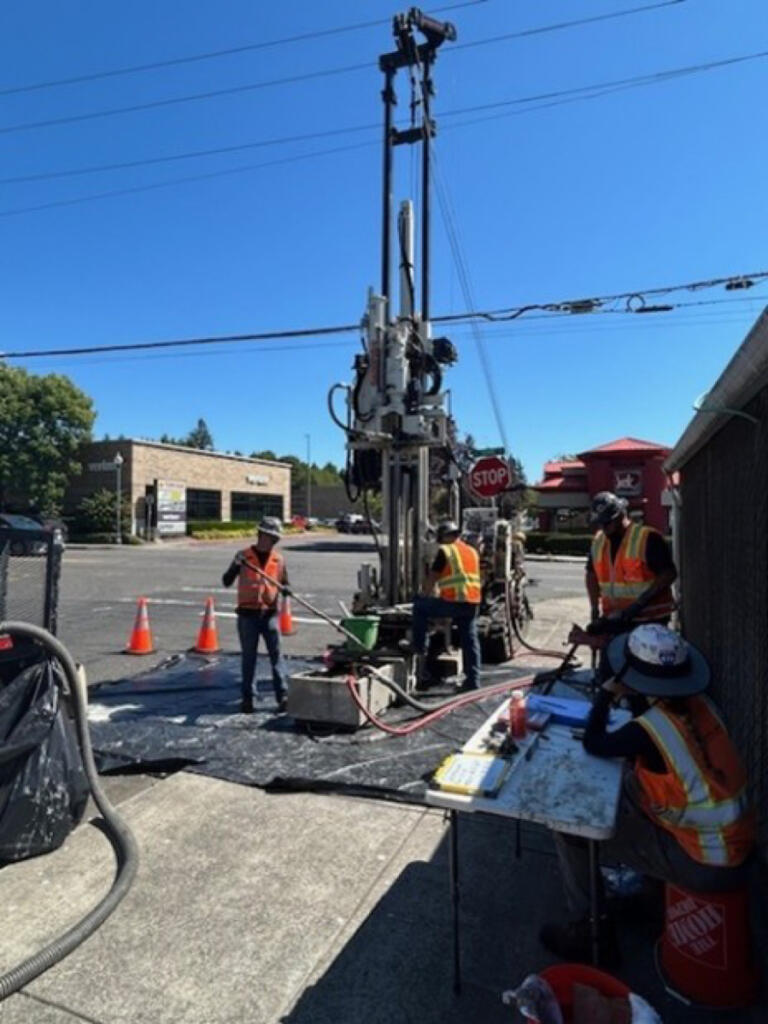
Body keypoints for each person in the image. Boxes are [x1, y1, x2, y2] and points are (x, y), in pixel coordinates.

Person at [540, 623, 755, 966]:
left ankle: (590, 932)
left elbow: (595, 742)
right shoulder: (702, 706)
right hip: (735, 843)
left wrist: (607, 693)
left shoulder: (651, 730)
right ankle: (651, 898)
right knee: (631, 789)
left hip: (706, 860)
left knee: (570, 829)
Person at [222, 517, 290, 714]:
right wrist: (236, 565)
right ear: (262, 535)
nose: (274, 542)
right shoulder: (243, 556)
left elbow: (285, 583)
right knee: (249, 658)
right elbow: (226, 581)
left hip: (269, 615)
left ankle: (282, 696)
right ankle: (248, 699)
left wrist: (286, 589)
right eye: (272, 538)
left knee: (276, 656)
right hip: (248, 616)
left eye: (276, 539)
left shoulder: (278, 559)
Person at [586, 491, 677, 630]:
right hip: (616, 620)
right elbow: (591, 575)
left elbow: (668, 574)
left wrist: (638, 605)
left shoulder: (647, 538)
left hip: (650, 620)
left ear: (621, 515)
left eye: (608, 522)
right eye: (601, 524)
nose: (604, 528)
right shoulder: (599, 542)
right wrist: (594, 611)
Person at [411, 520, 482, 691]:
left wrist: (422, 596)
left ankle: (419, 646)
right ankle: (473, 681)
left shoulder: (446, 551)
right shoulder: (472, 551)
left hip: (453, 602)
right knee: (470, 640)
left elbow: (431, 580)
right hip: (472, 602)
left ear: (443, 537)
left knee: (420, 607)